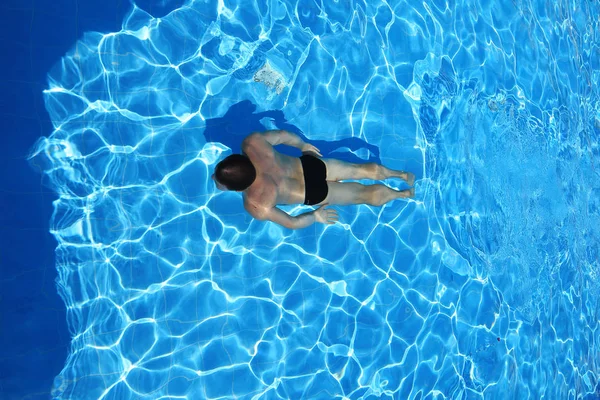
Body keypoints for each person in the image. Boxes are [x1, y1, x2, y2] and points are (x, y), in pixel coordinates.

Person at [212, 130, 415, 230]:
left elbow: (292, 223)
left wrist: (315, 217)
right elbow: (282, 135)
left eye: (219, 181)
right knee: (360, 170)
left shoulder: (256, 203)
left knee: (364, 195)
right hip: (310, 165)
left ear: (236, 189)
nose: (214, 178)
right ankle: (402, 175)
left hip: (312, 193)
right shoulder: (252, 144)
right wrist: (303, 145)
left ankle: (403, 194)